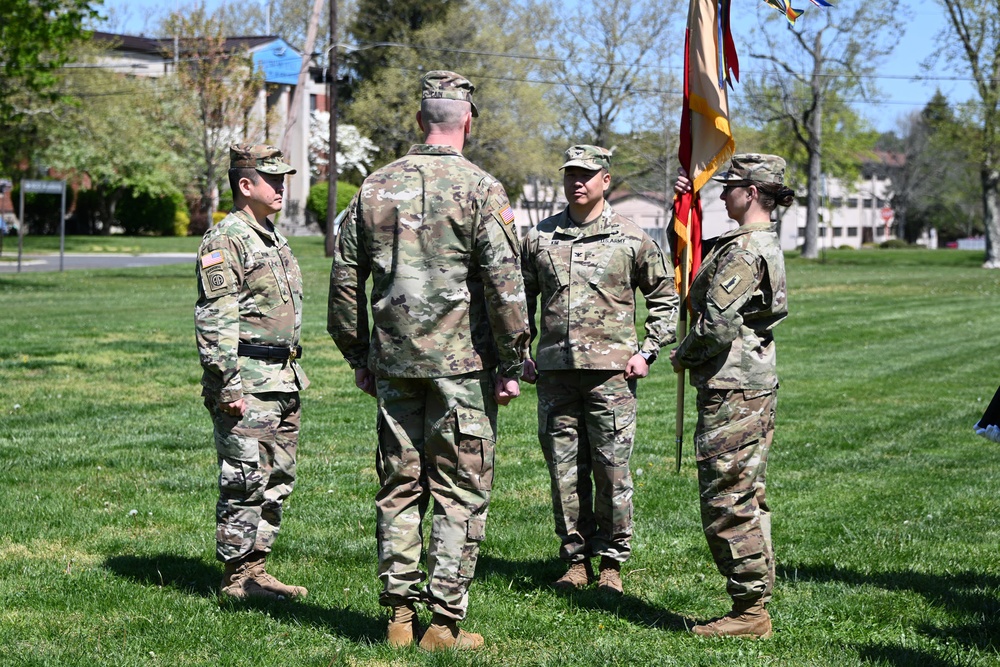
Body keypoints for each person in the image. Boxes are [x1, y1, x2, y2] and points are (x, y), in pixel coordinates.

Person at [327, 71, 529, 651]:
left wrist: (358, 353)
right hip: (463, 369)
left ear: (419, 122)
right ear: (468, 120)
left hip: (393, 364)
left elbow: (345, 282)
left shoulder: (372, 188)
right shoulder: (482, 189)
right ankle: (441, 624)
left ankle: (396, 617)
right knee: (459, 489)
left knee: (399, 486)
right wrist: (512, 362)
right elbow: (505, 284)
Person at [521, 145, 678, 595]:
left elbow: (665, 298)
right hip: (555, 375)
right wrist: (521, 353)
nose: (577, 182)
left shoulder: (631, 237)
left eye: (587, 174)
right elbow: (518, 302)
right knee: (564, 473)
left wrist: (647, 351)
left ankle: (611, 562)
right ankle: (574, 560)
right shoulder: (540, 237)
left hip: (613, 377)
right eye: (571, 173)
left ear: (606, 180)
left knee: (612, 473)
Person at [670, 153, 791, 639]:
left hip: (733, 389)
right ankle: (754, 599)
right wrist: (685, 202)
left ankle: (749, 610)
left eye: (731, 186)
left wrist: (685, 353)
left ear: (753, 193)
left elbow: (717, 324)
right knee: (746, 493)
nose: (723, 194)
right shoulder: (749, 242)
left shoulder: (746, 250)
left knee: (728, 499)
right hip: (745, 385)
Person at [195, 144, 309, 601]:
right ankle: (235, 578)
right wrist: (227, 384)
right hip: (248, 379)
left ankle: (257, 568)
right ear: (246, 185)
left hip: (283, 379)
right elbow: (215, 317)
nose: (282, 186)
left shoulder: (270, 236)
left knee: (277, 477)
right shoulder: (226, 239)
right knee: (244, 479)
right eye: (273, 179)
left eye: (283, 178)